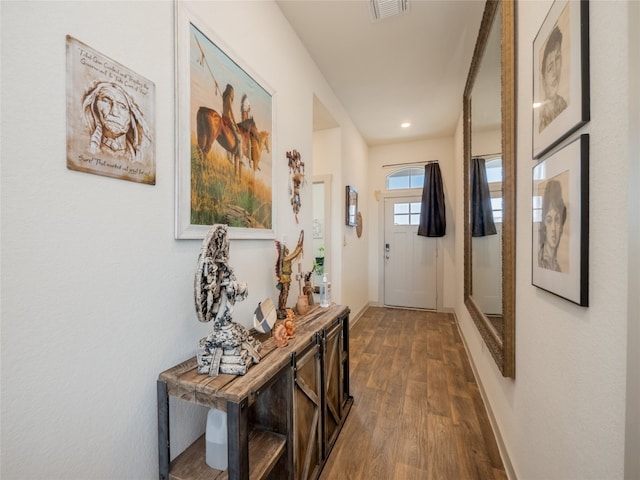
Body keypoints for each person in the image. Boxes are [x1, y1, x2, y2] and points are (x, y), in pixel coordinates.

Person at [81, 82, 150, 163]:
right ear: (95, 108)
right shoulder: (89, 145)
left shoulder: (136, 154)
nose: (114, 112)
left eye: (122, 107)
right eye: (106, 101)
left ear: (132, 117)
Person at [538, 26, 568, 132]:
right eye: (550, 67)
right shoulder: (540, 117)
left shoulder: (564, 106)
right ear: (543, 81)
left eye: (558, 58)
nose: (556, 71)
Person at [538, 179, 567, 272]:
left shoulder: (557, 268)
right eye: (549, 221)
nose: (554, 228)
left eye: (557, 220)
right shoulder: (540, 262)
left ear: (561, 228)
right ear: (544, 226)